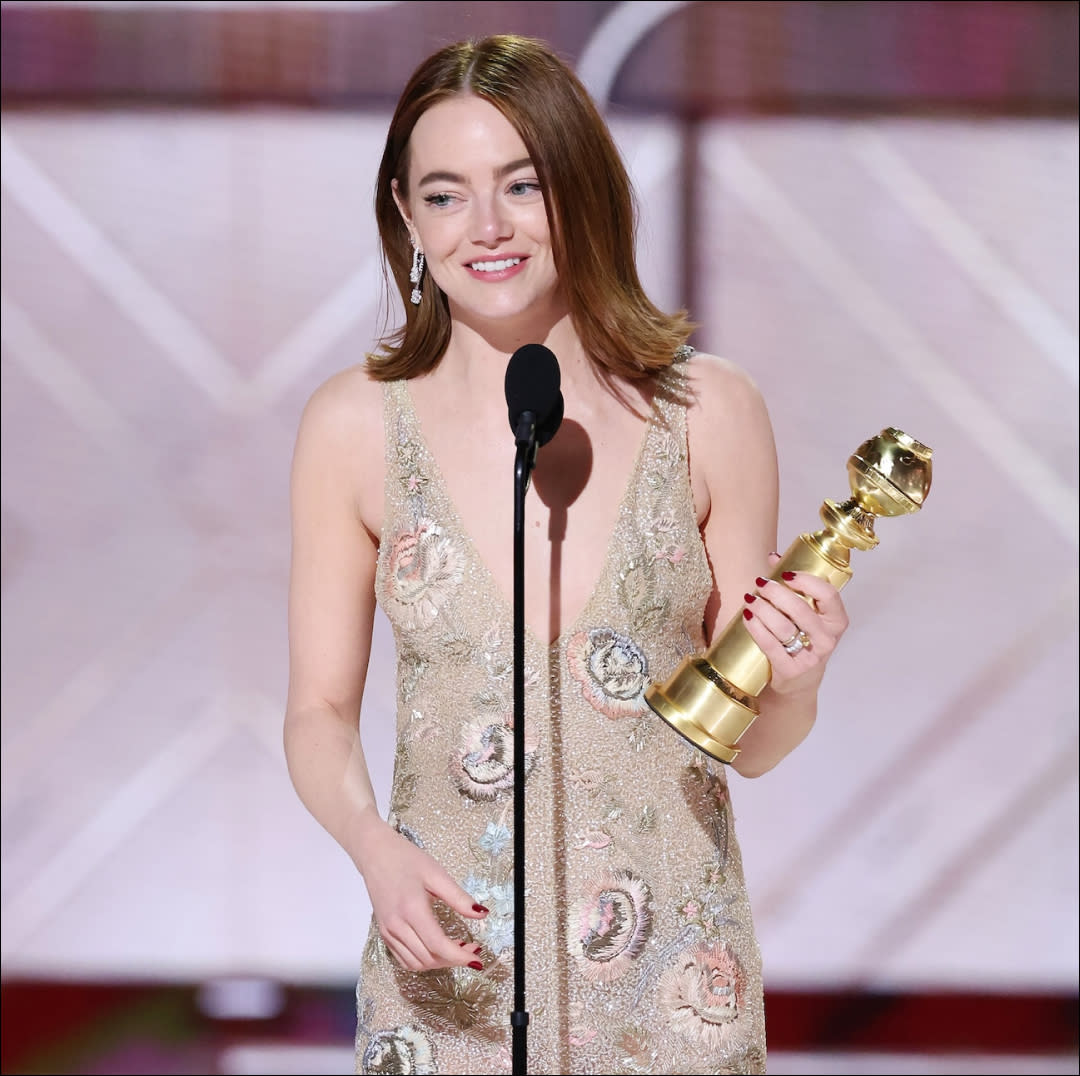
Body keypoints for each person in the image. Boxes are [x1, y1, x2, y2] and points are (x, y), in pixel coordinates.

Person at [283, 33, 850, 1076]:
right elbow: (317, 709)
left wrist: (800, 684)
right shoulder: (353, 426)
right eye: (446, 195)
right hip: (448, 976)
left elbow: (751, 741)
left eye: (522, 185)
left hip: (674, 989)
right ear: (405, 216)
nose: (486, 228)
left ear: (582, 192)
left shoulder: (707, 412)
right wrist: (375, 850)